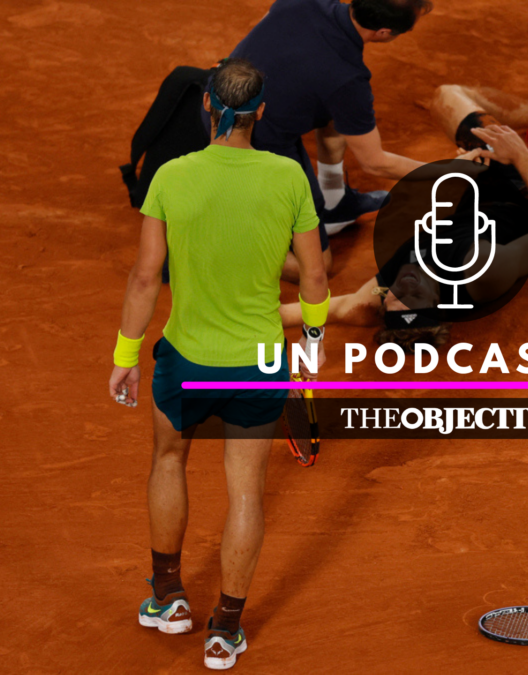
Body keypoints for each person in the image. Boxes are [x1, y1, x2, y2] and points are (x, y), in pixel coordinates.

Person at [108, 59, 331, 670]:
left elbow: (145, 277)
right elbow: (314, 276)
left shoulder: (172, 177)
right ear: (261, 113)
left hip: (184, 358)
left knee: (168, 459)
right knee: (246, 493)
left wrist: (126, 355)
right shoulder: (288, 177)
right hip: (258, 363)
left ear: (207, 105)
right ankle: (224, 631)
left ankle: (168, 599)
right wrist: (312, 341)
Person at [278, 81, 528, 350]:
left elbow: (324, 310)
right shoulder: (482, 272)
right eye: (413, 297)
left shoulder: (389, 291)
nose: (402, 287)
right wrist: (521, 158)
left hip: (475, 201)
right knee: (448, 97)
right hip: (522, 200)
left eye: (394, 298)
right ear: (438, 301)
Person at [210, 0, 436, 281]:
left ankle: (333, 200)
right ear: (383, 32)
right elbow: (375, 163)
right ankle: (220, 237)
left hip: (214, 99)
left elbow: (269, 34)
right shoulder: (348, 79)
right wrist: (448, 172)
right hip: (246, 144)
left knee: (335, 109)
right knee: (315, 267)